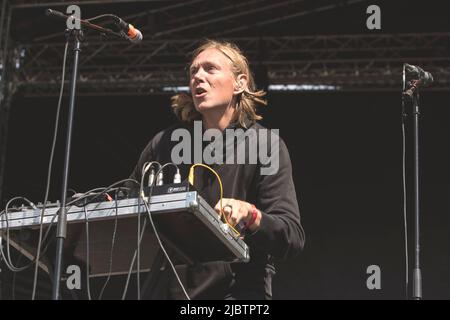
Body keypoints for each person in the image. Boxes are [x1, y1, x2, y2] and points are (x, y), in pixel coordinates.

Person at [126, 39, 305, 300]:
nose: (198, 76)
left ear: (240, 83)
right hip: (170, 292)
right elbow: (126, 202)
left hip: (239, 294)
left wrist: (251, 215)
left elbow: (291, 236)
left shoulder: (265, 145)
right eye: (193, 71)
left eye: (210, 69)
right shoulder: (165, 143)